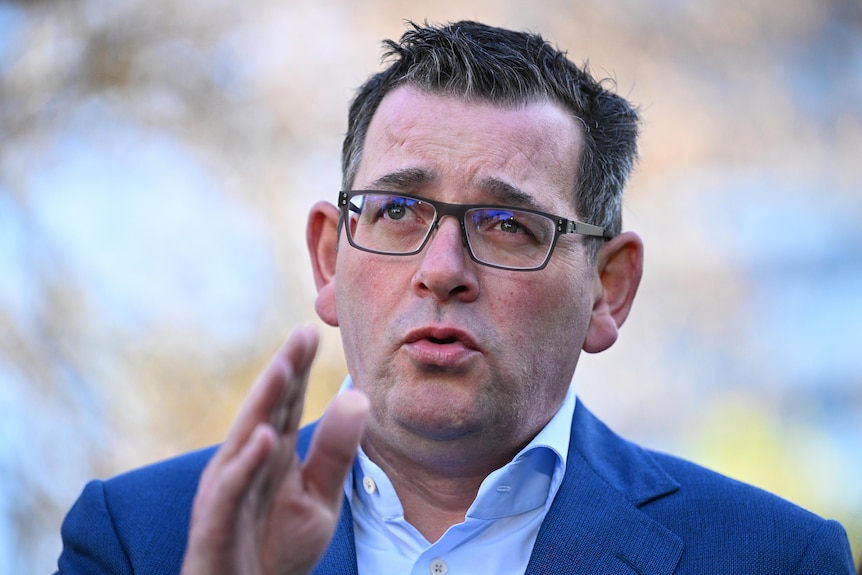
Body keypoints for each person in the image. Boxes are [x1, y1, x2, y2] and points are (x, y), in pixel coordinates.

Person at [55, 20, 856, 575]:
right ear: (329, 259)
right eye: (399, 210)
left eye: (507, 223)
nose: (442, 269)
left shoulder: (771, 556)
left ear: (608, 290)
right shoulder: (138, 537)